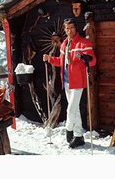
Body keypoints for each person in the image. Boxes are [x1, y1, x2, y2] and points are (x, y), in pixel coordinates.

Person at [43, 18, 96, 148]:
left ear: (75, 28)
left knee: (70, 109)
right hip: (66, 81)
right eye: (67, 28)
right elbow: (61, 62)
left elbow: (93, 60)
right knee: (75, 109)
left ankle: (69, 129)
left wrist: (85, 58)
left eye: (71, 27)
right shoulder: (64, 44)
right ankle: (79, 137)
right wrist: (49, 59)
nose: (69, 30)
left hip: (78, 82)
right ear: (64, 29)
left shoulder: (83, 43)